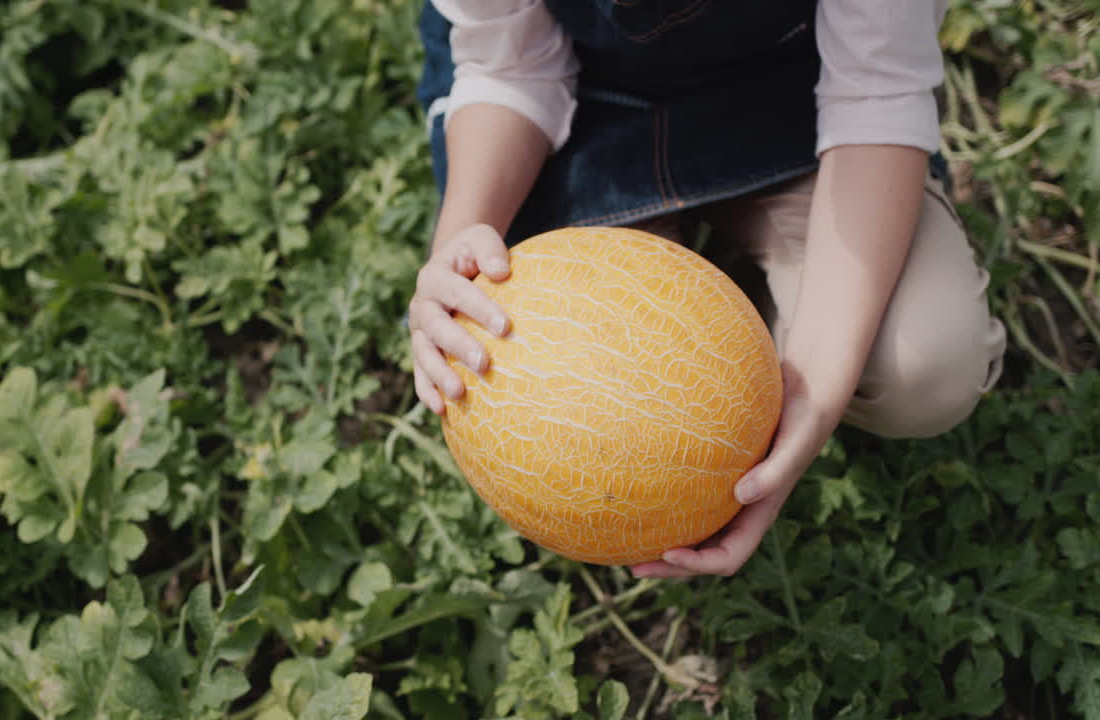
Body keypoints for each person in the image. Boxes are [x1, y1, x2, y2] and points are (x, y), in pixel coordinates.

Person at [406, 1, 1007, 579]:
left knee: (925, 365)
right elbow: (512, 68)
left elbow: (874, 92)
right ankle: (733, 293)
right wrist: (456, 253)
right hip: (587, 110)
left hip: (799, 90)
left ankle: (753, 310)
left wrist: (815, 388)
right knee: (570, 404)